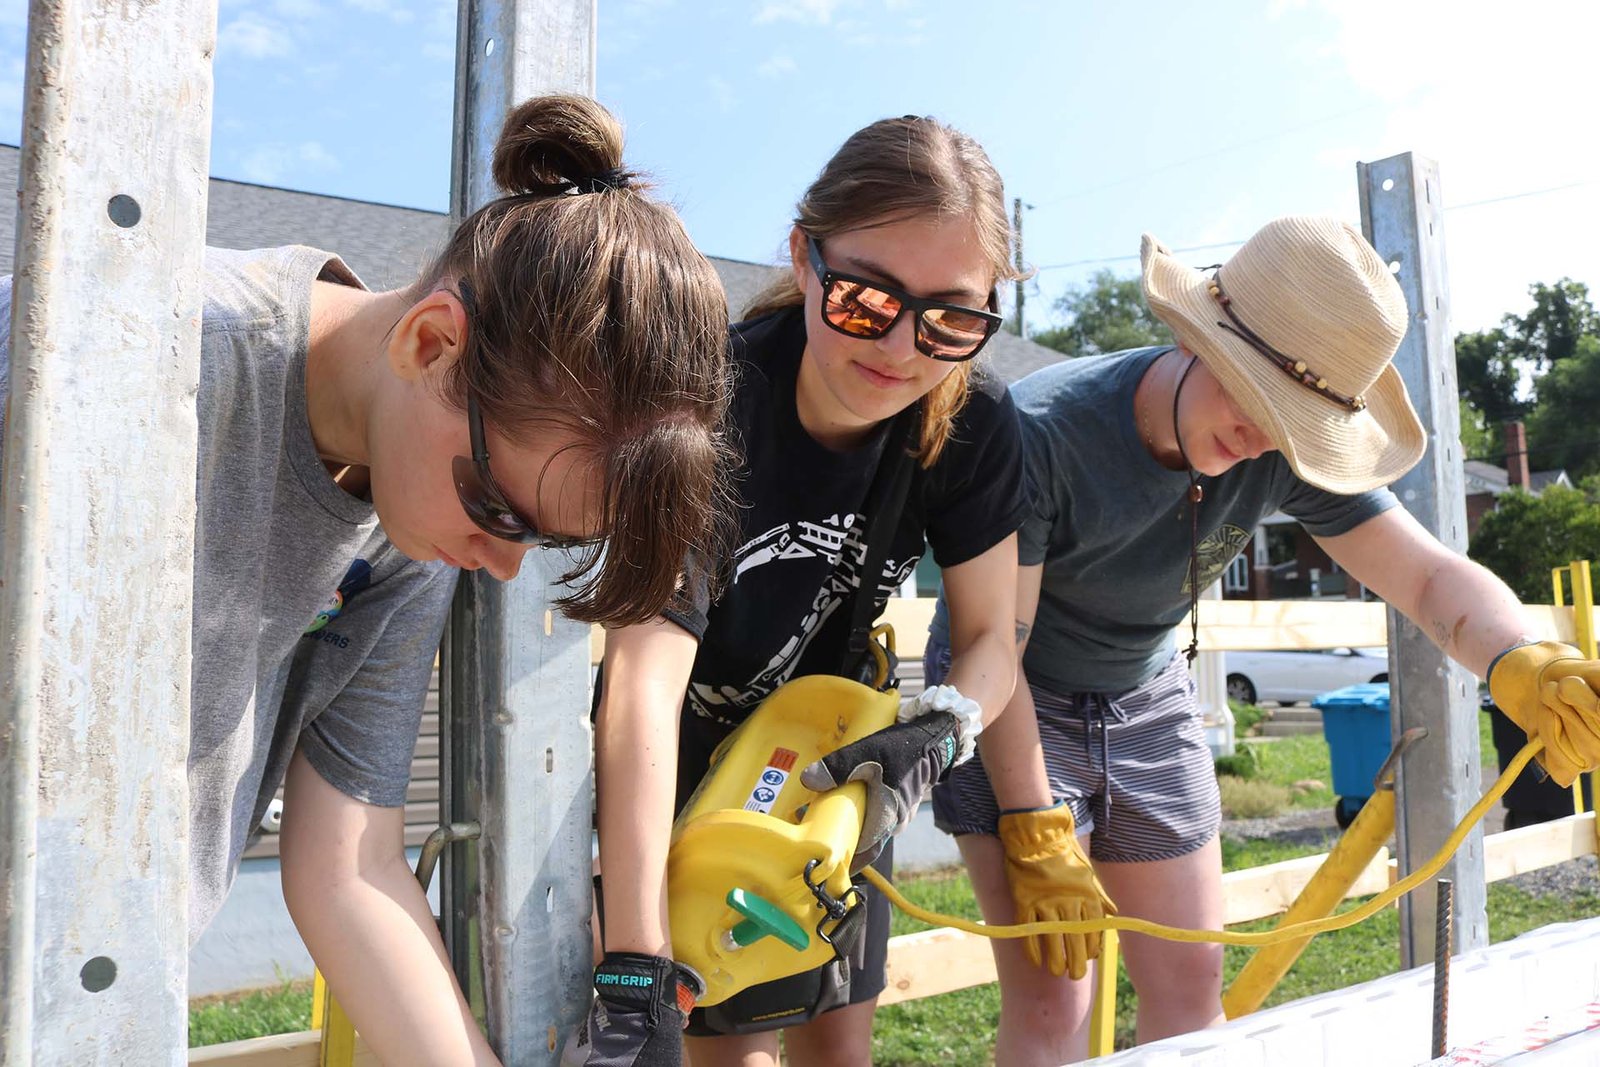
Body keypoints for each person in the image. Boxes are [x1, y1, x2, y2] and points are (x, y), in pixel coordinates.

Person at [0, 95, 734, 1066]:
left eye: (542, 539)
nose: (503, 562)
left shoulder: (400, 527)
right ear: (430, 343)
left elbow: (350, 863)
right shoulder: (126, 354)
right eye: (503, 510)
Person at [924, 214, 1600, 1065]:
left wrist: (1520, 658)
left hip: (1145, 685)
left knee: (1192, 986)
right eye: (1252, 395)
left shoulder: (1280, 452)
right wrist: (1033, 821)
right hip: (1012, 697)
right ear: (1200, 337)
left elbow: (1426, 576)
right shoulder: (1044, 432)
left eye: (1294, 423)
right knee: (1056, 998)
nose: (1260, 437)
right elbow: (996, 646)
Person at [587, 114, 1100, 1067]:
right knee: (723, 1050)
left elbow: (992, 637)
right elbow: (642, 683)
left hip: (840, 754)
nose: (902, 349)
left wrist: (940, 731)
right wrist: (633, 963)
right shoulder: (707, 400)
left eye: (952, 317)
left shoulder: (976, 422)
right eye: (866, 299)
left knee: (839, 1050)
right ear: (802, 255)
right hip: (682, 752)